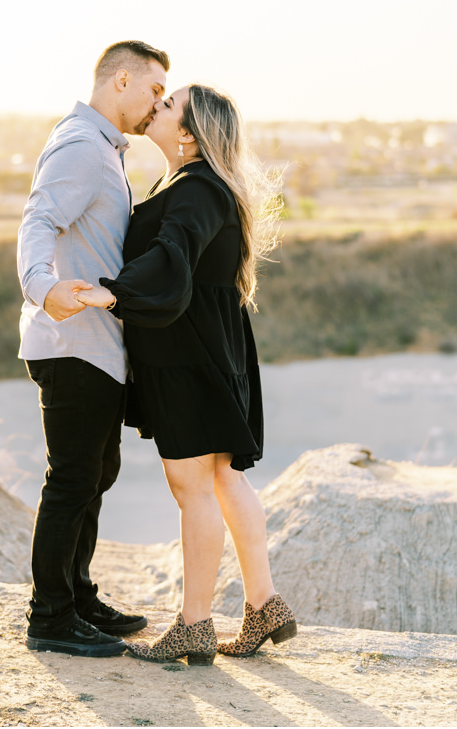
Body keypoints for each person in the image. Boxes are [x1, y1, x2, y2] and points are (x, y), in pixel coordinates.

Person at [73, 83, 294, 665]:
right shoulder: (194, 184)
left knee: (192, 485)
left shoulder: (196, 188)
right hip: (208, 346)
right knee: (221, 478)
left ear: (191, 133)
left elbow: (172, 252)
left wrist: (109, 293)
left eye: (169, 105)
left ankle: (195, 624)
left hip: (187, 351)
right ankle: (264, 604)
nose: (158, 107)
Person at [17, 40, 169, 657]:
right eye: (154, 89)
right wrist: (41, 286)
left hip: (95, 343)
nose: (158, 102)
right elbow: (39, 218)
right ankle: (50, 617)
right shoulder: (83, 146)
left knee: (94, 473)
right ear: (123, 80)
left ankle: (78, 597)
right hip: (72, 337)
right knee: (74, 478)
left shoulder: (101, 147)